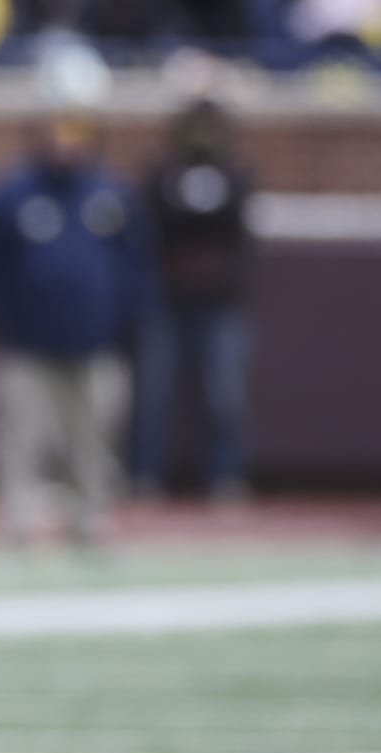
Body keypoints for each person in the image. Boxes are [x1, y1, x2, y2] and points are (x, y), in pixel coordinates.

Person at [0, 41, 149, 549]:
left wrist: (124, 321)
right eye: (60, 126)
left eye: (79, 127)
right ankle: (18, 521)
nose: (68, 139)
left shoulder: (112, 193)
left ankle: (91, 517)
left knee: (94, 439)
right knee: (21, 437)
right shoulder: (12, 192)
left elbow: (135, 264)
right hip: (27, 344)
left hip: (95, 342)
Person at [132, 97, 254, 503]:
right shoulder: (161, 173)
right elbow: (155, 225)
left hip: (219, 302)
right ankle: (147, 475)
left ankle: (224, 477)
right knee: (154, 394)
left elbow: (233, 226)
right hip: (166, 300)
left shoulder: (235, 173)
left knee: (224, 395)